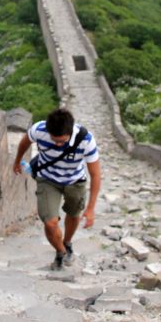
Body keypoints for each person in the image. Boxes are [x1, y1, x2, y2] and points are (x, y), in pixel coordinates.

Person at [12, 108, 102, 270]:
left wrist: (91, 208)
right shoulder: (39, 130)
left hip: (75, 181)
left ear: (70, 132)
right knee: (50, 223)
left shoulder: (86, 140)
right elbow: (25, 141)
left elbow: (95, 175)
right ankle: (60, 251)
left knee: (73, 215)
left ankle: (67, 243)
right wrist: (17, 160)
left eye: (62, 141)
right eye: (55, 140)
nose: (58, 144)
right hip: (47, 180)